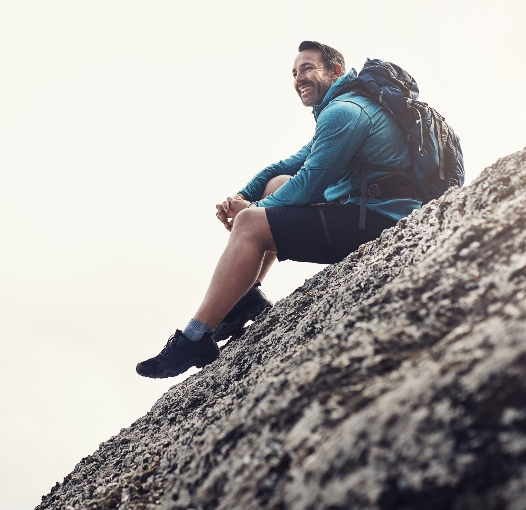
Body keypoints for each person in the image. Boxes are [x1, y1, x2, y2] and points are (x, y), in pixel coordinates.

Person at [136, 41, 425, 379]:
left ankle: (195, 339)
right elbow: (287, 166)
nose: (299, 78)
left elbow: (307, 187)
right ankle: (246, 296)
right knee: (275, 187)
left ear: (335, 71)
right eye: (294, 72)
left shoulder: (345, 113)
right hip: (368, 212)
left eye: (307, 68)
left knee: (251, 223)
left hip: (381, 222)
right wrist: (242, 195)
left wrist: (250, 211)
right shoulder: (345, 108)